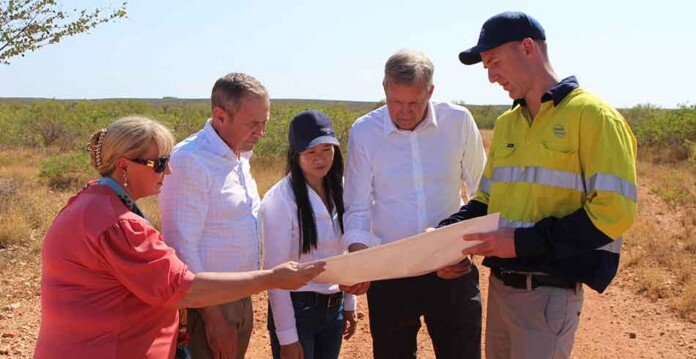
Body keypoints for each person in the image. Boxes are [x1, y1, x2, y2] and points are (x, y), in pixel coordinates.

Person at [34, 116, 325, 359]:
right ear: (124, 166)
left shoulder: (90, 202)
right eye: (159, 163)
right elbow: (185, 290)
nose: (169, 170)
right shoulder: (118, 224)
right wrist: (272, 278)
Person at [439, 11, 638, 359]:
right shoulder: (507, 125)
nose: (491, 77)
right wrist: (445, 237)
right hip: (500, 291)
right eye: (486, 66)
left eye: (494, 62)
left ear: (528, 47)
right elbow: (486, 200)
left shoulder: (594, 117)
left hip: (549, 293)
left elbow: (613, 213)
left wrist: (520, 242)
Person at [343, 50, 487, 358]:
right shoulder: (365, 132)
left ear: (430, 92)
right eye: (396, 102)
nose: (404, 112)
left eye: (414, 103)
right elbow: (356, 206)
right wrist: (359, 260)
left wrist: (467, 251)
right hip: (391, 272)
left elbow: (483, 192)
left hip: (451, 267)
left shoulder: (458, 121)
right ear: (385, 89)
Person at [159, 72, 270, 359]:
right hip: (207, 306)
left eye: (264, 122)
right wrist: (213, 318)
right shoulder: (190, 160)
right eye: (253, 124)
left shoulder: (239, 155)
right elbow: (181, 247)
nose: (261, 132)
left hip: (239, 296)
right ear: (220, 116)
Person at [261, 110, 370, 359]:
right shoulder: (280, 200)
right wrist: (287, 338)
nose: (320, 159)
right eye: (311, 152)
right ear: (295, 153)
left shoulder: (342, 188)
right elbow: (275, 275)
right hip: (298, 311)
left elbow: (347, 252)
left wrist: (349, 305)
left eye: (327, 150)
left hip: (334, 307)